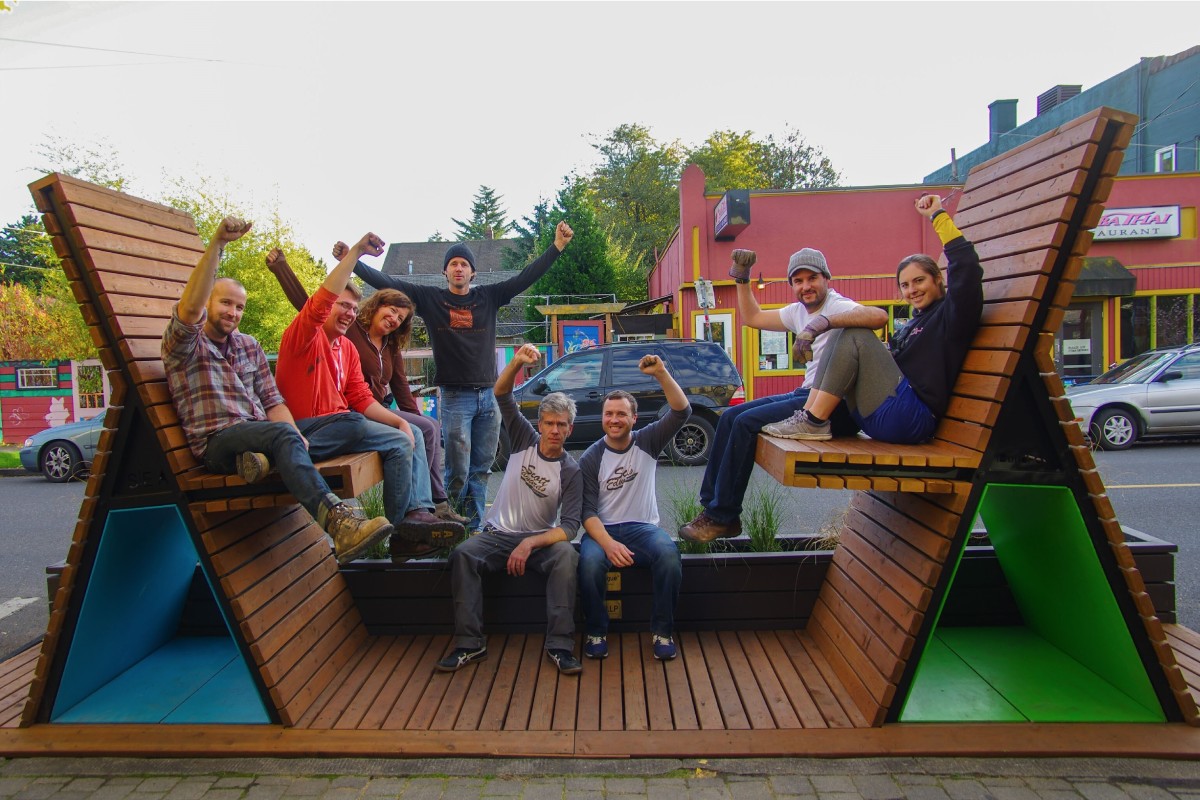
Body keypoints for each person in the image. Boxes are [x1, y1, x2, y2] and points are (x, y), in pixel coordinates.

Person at [161, 217, 393, 563]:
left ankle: (268, 459)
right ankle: (340, 524)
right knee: (283, 435)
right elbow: (190, 308)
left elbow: (272, 401)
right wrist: (218, 244)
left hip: (261, 434)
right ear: (208, 303)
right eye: (225, 303)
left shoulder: (248, 345)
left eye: (239, 307)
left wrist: (291, 434)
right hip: (217, 441)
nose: (233, 312)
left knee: (353, 423)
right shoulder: (185, 345)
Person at [350, 222, 575, 531]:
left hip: (489, 395)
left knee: (481, 469)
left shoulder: (490, 296)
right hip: (456, 397)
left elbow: (525, 277)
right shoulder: (430, 299)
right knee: (457, 471)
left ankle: (474, 529)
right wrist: (352, 260)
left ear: (473, 273)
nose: (458, 268)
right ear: (445, 272)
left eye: (464, 264)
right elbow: (387, 281)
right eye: (453, 264)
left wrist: (557, 247)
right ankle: (451, 528)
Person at [678, 246, 888, 544]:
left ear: (826, 278)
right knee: (731, 416)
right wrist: (741, 279)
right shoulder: (797, 312)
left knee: (745, 423)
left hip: (834, 407)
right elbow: (753, 317)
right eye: (798, 281)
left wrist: (822, 323)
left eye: (812, 278)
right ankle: (712, 510)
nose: (805, 286)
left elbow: (879, 316)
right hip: (806, 394)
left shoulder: (838, 305)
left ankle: (722, 516)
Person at [274, 233, 465, 558]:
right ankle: (416, 517)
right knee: (361, 423)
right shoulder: (305, 336)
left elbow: (362, 398)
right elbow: (317, 303)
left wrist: (400, 422)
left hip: (342, 427)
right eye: (342, 305)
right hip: (304, 433)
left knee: (406, 437)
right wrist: (357, 253)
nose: (349, 313)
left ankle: (409, 527)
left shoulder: (347, 348)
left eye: (352, 308)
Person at [763, 194, 982, 443]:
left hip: (912, 417)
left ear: (938, 279)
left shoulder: (952, 315)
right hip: (880, 411)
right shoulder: (914, 323)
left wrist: (937, 215)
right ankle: (808, 416)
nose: (912, 290)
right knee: (842, 332)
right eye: (905, 285)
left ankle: (813, 422)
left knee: (854, 332)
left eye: (919, 281)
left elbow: (966, 267)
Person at [436, 343, 583, 675]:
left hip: (539, 542)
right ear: (539, 424)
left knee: (567, 556)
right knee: (463, 554)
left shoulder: (570, 470)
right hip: (498, 535)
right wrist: (516, 361)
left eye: (562, 425)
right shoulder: (523, 438)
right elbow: (501, 393)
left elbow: (570, 527)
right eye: (549, 423)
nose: (555, 430)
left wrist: (530, 543)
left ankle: (560, 646)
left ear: (570, 429)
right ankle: (470, 644)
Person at [577, 354, 687, 662]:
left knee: (669, 555)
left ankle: (662, 632)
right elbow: (587, 513)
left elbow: (682, 411)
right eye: (609, 414)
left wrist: (661, 373)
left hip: (644, 529)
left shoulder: (648, 441)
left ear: (634, 418)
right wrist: (609, 545)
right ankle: (596, 631)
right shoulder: (590, 457)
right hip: (603, 531)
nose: (614, 419)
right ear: (602, 417)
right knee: (589, 564)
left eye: (621, 414)